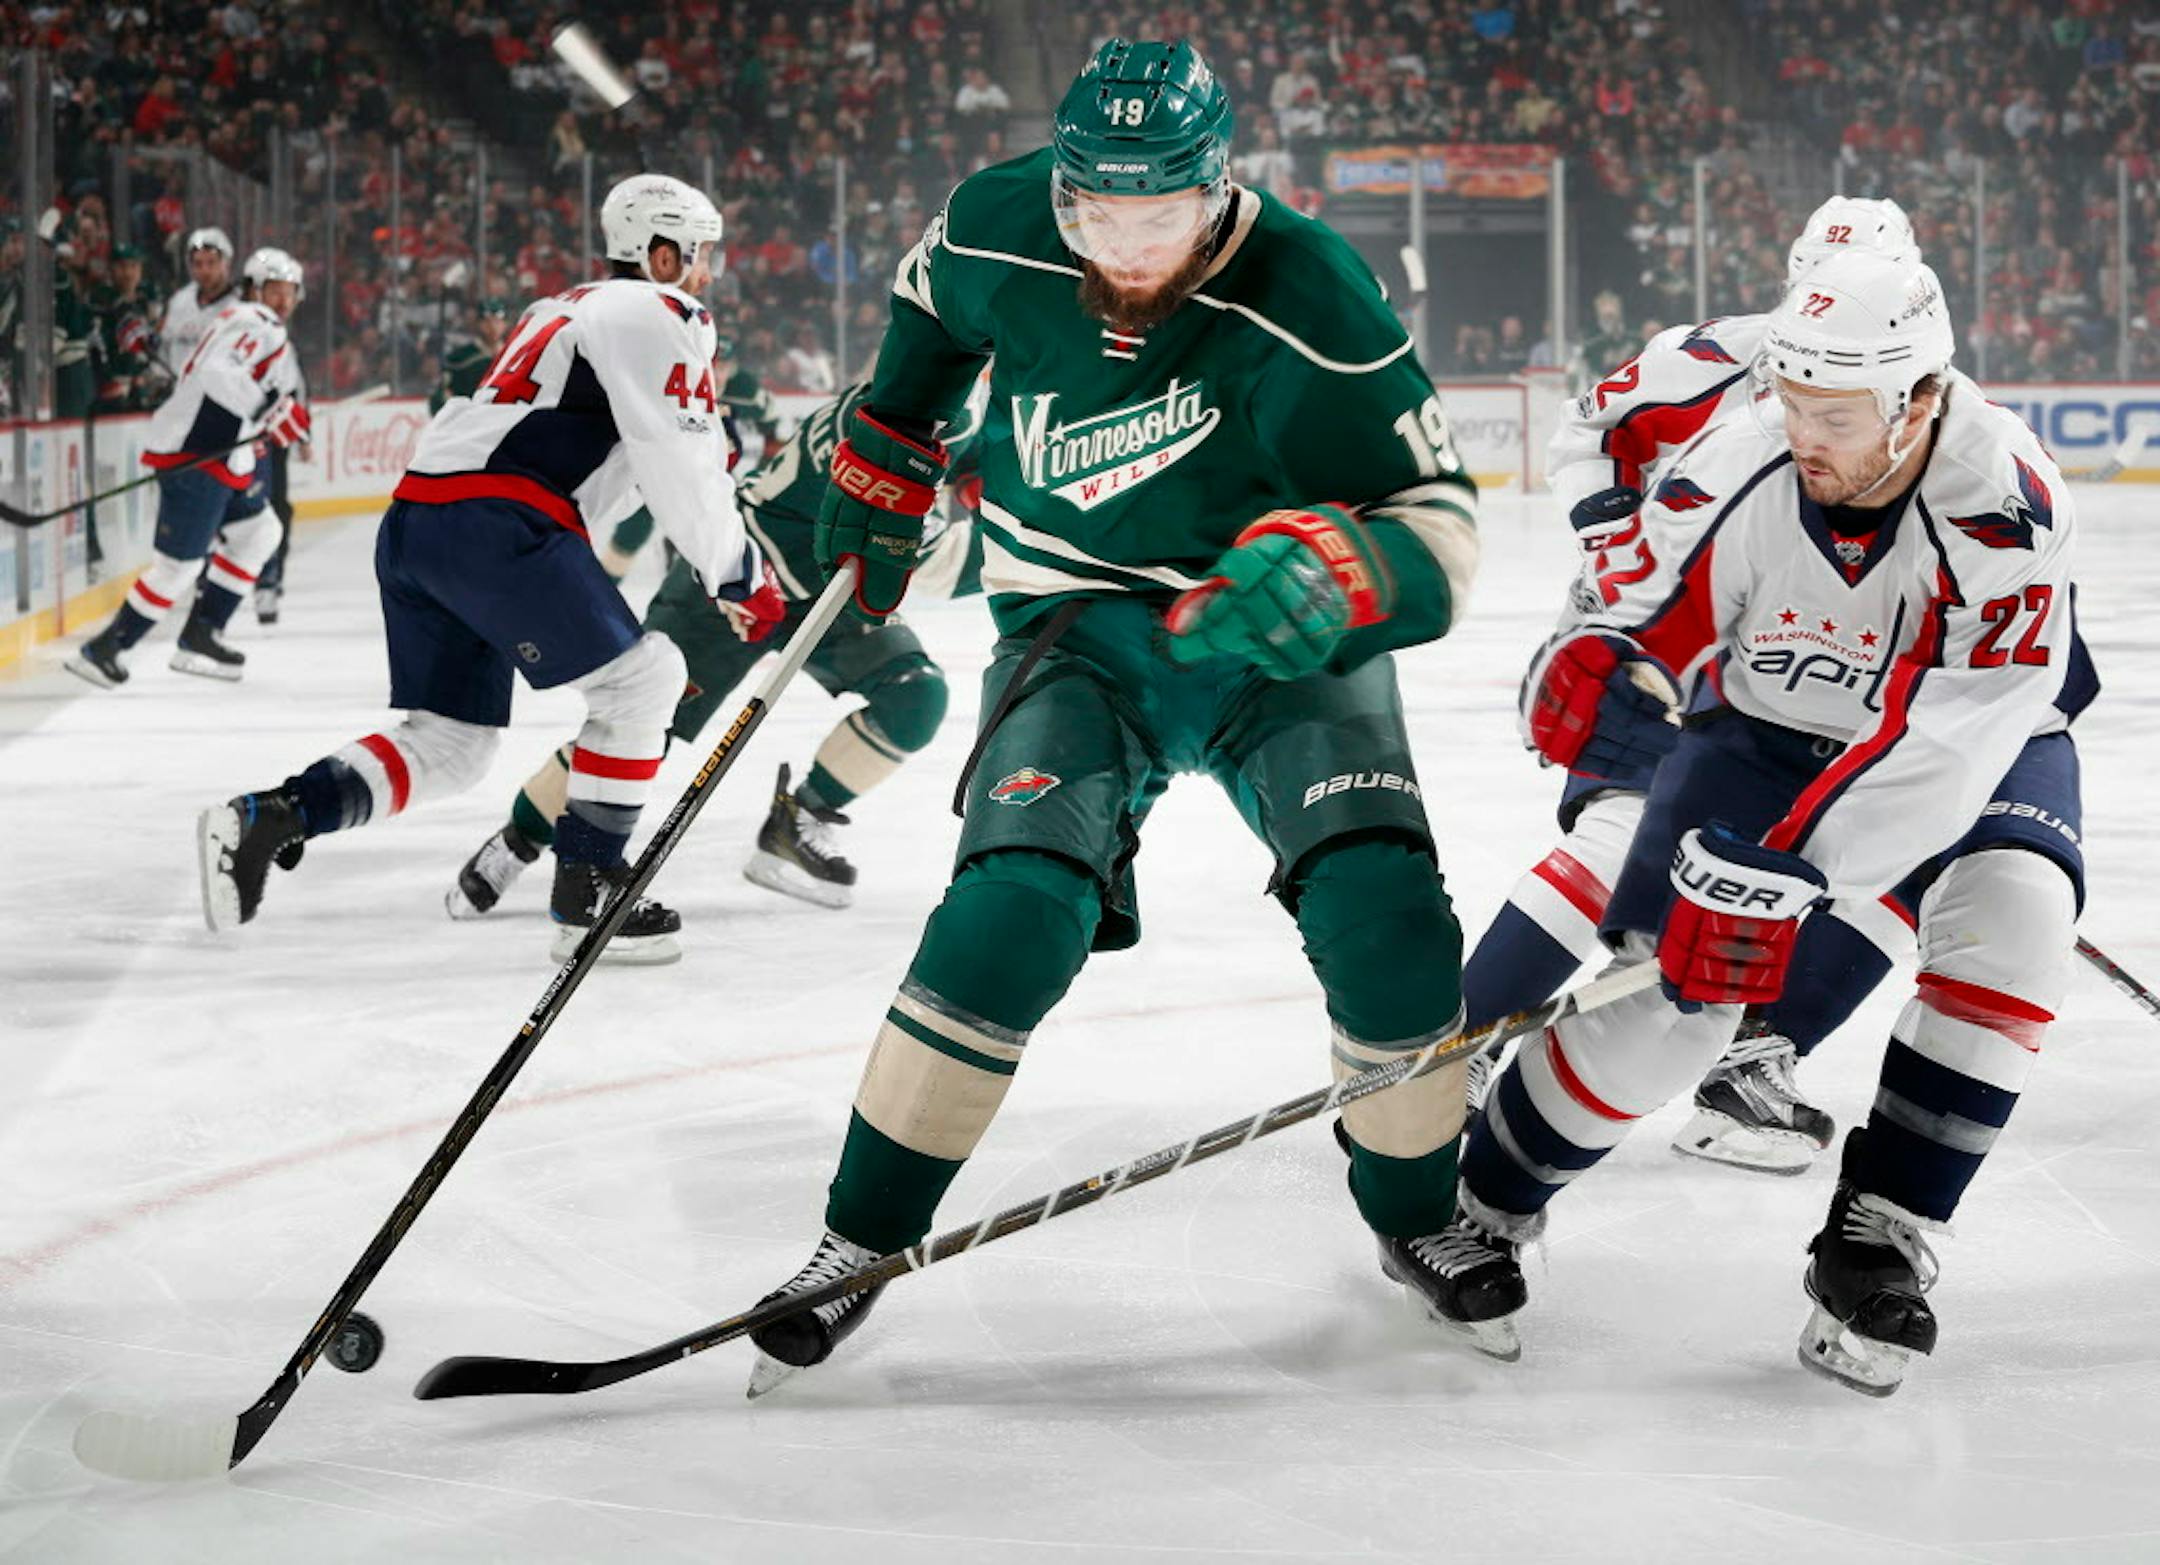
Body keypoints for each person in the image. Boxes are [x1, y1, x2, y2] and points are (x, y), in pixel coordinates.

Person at [744, 38, 1484, 1397]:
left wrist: (1352, 572)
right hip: (1074, 626)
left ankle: (1419, 1212)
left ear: (1218, 186)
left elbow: (1444, 521)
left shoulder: (1315, 289)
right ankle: (855, 1241)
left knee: (1389, 919)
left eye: (1162, 215)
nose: (1129, 246)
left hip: (1270, 632)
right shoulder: (995, 222)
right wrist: (886, 447)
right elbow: (917, 354)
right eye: (1099, 211)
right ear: (1062, 185)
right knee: (1008, 911)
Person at [1454, 252, 2091, 1396]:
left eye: (1835, 415)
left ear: (1915, 401)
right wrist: (1590, 658)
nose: (1805, 433)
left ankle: (1880, 1229)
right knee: (1674, 1009)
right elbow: (1632, 597)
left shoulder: (2006, 503)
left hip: (1974, 739)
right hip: (1770, 731)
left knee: (2018, 913)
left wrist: (1794, 866)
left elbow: (1948, 747)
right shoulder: (1741, 453)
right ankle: (1486, 1199)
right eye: (1794, 402)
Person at [194, 174, 780, 964]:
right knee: (645, 682)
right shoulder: (659, 309)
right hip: (498, 524)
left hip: (418, 522)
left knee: (453, 745)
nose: (709, 274)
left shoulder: (562, 307)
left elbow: (623, 449)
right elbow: (679, 456)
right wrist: (737, 573)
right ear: (662, 253)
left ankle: (269, 816)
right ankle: (592, 891)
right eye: (701, 255)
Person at [1465, 198, 1937, 1174]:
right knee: (1622, 839)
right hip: (1657, 645)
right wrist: (1630, 556)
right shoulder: (1711, 357)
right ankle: (1459, 1042)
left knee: (1829, 865)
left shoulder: (1930, 413)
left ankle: (1747, 1058)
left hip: (1794, 679)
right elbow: (1588, 432)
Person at [445, 377, 987, 927]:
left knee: (915, 695)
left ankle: (797, 821)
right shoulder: (921, 412)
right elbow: (940, 560)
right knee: (639, 729)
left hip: (829, 587)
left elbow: (979, 466)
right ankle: (520, 839)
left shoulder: (958, 403)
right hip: (739, 580)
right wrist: (1045, 550)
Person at [65, 247, 310, 688]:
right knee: (178, 569)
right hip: (197, 455)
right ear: (256, 288)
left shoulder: (241, 318)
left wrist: (271, 414)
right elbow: (218, 371)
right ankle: (104, 649)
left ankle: (202, 632)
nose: (283, 301)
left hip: (218, 454)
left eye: (290, 292)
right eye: (275, 289)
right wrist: (268, 408)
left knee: (261, 533)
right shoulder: (260, 323)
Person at [592, 332, 780, 580]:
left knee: (722, 522)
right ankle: (608, 583)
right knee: (638, 521)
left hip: (708, 465)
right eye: (713, 367)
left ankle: (700, 577)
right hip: (666, 460)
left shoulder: (744, 388)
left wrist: (767, 461)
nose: (719, 375)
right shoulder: (678, 379)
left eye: (725, 367)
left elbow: (770, 421)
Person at [429, 297, 511, 415]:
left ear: (505, 324)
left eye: (497, 321)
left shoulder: (515, 355)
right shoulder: (459, 359)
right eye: (487, 321)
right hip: (470, 425)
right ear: (478, 324)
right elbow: (441, 396)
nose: (493, 327)